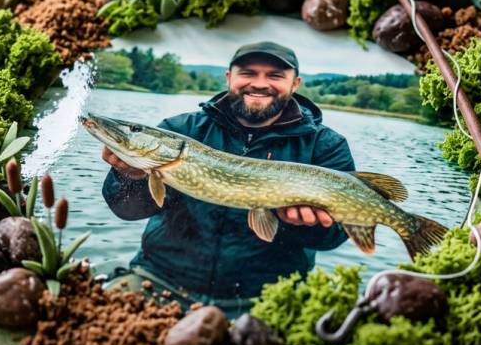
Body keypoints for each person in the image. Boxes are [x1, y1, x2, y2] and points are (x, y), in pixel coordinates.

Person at [100, 41, 355, 314]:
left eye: (275, 75)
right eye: (247, 73)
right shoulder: (179, 129)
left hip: (267, 297)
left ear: (295, 84)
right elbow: (125, 210)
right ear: (228, 77)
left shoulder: (326, 146)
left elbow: (335, 235)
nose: (259, 83)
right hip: (160, 279)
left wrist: (301, 224)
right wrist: (129, 177)